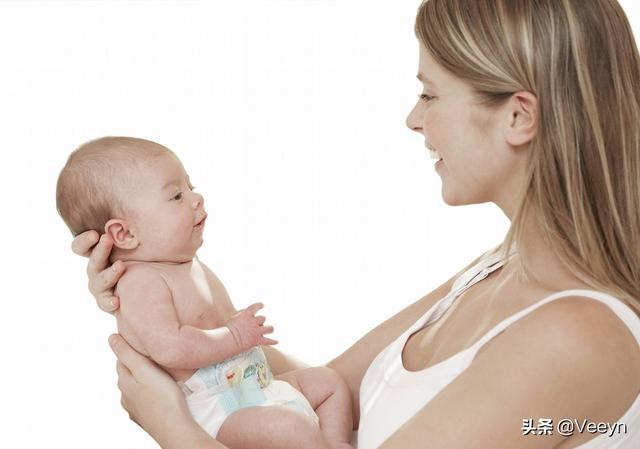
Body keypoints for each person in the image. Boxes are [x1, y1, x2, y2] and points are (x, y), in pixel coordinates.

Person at [72, 0, 640, 447]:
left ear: (517, 116)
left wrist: (174, 429)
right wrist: (164, 294)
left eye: (429, 94)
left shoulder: (575, 336)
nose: (413, 119)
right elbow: (327, 387)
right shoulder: (498, 269)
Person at [58, 137, 354, 449]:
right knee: (288, 427)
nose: (196, 198)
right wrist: (234, 336)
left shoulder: (181, 261)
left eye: (191, 186)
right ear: (124, 233)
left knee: (328, 382)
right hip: (220, 411)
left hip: (257, 384)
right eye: (176, 195)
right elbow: (169, 348)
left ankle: (335, 443)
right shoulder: (139, 281)